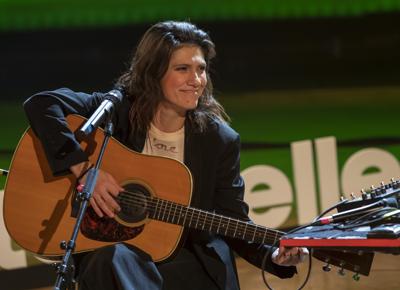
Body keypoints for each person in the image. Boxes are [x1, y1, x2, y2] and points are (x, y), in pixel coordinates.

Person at [24, 21, 307, 290]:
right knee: (108, 259)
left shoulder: (218, 140)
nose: (195, 80)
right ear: (154, 72)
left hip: (188, 258)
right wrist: (85, 170)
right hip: (118, 254)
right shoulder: (117, 112)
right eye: (182, 69)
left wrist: (272, 255)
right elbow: (42, 104)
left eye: (201, 69)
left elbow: (232, 220)